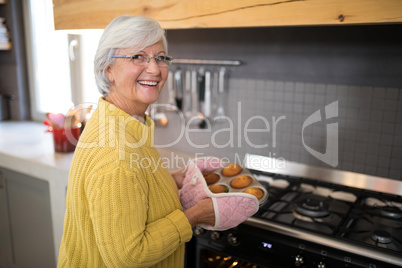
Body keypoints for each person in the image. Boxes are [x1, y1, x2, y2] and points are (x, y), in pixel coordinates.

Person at [57, 15, 215, 268]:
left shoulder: (123, 122)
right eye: (137, 57)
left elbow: (134, 190)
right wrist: (193, 216)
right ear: (108, 69)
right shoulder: (116, 153)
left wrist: (169, 181)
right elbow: (129, 255)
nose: (154, 69)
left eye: (160, 57)